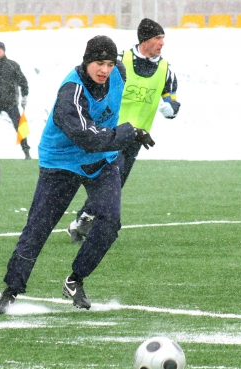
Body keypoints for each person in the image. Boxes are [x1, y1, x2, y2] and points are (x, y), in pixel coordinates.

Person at [0, 35, 155, 313]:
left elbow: (100, 137)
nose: (104, 70)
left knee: (110, 221)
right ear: (87, 61)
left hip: (101, 161)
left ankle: (75, 280)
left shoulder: (119, 74)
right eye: (98, 63)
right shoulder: (72, 91)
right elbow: (86, 136)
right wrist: (130, 132)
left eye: (108, 64)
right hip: (62, 163)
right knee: (38, 228)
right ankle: (11, 291)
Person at [67, 18, 181, 243]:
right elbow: (96, 86)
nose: (162, 43)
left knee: (117, 181)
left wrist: (171, 108)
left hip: (138, 137)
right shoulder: (119, 61)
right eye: (158, 38)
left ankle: (83, 220)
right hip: (112, 132)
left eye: (162, 39)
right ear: (145, 40)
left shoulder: (166, 69)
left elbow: (172, 99)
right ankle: (89, 219)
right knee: (113, 175)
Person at [0, 41, 31, 160]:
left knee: (20, 127)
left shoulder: (12, 65)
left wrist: (24, 96)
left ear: (4, 50)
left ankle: (26, 152)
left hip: (10, 103)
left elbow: (23, 82)